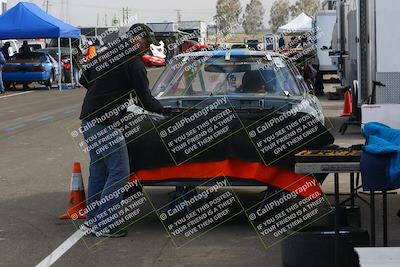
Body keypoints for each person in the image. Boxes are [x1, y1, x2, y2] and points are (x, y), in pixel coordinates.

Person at [79, 24, 164, 238]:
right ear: (137, 40)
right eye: (146, 44)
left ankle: (93, 221)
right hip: (106, 123)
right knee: (119, 172)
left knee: (99, 171)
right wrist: (165, 111)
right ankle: (105, 224)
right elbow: (145, 98)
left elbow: (83, 78)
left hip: (89, 119)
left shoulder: (107, 53)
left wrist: (104, 89)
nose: (147, 49)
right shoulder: (134, 62)